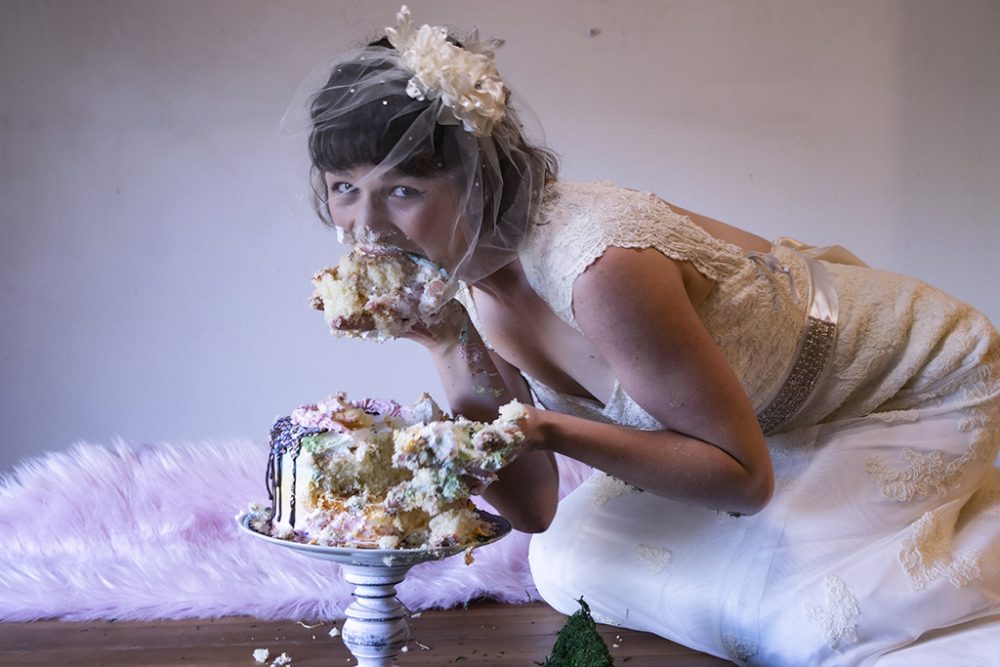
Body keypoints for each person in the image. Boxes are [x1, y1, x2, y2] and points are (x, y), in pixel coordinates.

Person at [302, 7, 1000, 665]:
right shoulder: (466, 278)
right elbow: (533, 506)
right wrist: (449, 343)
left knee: (803, 620)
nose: (366, 227)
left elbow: (746, 481)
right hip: (753, 427)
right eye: (342, 187)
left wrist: (544, 426)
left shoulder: (599, 269)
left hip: (921, 384)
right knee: (565, 559)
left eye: (402, 191)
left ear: (473, 174)